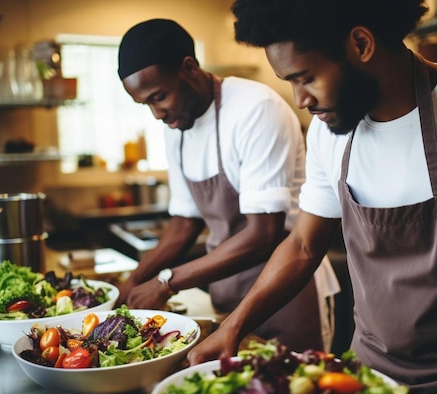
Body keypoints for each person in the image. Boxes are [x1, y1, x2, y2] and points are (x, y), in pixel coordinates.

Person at [187, 1, 437, 394]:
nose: (300, 100)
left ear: (361, 43)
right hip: (364, 388)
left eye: (306, 77)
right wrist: (232, 328)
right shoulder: (329, 132)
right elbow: (302, 245)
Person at [115, 18, 341, 353]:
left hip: (287, 297)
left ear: (189, 68)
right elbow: (184, 224)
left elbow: (262, 235)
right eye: (146, 104)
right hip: (226, 296)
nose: (156, 113)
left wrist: (166, 282)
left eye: (158, 97)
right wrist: (130, 283)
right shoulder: (177, 127)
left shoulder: (255, 109)